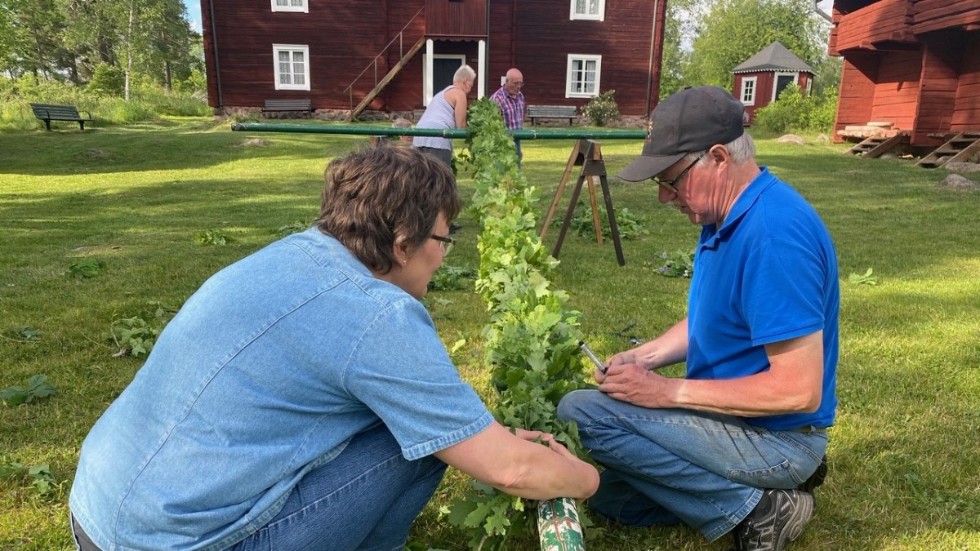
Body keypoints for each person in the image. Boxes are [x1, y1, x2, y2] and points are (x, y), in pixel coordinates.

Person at [69, 146, 599, 551]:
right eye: (444, 238)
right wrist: (586, 479)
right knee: (417, 444)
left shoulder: (286, 255)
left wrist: (482, 435)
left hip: (96, 515)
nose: (443, 255)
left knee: (422, 427)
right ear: (401, 242)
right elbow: (510, 469)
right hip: (176, 543)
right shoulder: (377, 314)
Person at [557, 86, 839, 551]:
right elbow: (710, 321)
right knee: (612, 499)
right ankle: (759, 494)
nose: (666, 198)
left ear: (719, 158)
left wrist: (665, 391)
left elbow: (799, 391)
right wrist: (641, 358)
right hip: (733, 423)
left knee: (582, 413)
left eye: (672, 179)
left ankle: (763, 505)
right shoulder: (723, 218)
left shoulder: (773, 236)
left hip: (778, 438)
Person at [413, 64, 476, 167]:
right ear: (465, 82)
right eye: (471, 85)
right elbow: (461, 126)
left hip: (419, 136)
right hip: (437, 138)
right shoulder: (460, 94)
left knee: (421, 177)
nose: (470, 90)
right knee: (440, 177)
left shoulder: (441, 94)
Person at [490, 67, 526, 164]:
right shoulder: (497, 99)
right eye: (515, 83)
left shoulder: (520, 96)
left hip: (517, 139)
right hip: (502, 142)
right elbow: (494, 126)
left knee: (516, 173)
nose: (518, 86)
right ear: (506, 82)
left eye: (520, 83)